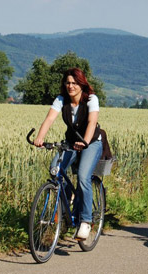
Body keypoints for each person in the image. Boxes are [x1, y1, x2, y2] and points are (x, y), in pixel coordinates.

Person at [34, 67, 103, 239]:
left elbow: (92, 122)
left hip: (92, 142)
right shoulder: (61, 99)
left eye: (74, 83)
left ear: (81, 84)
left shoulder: (91, 99)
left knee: (82, 176)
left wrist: (85, 141)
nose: (70, 86)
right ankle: (64, 215)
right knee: (55, 170)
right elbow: (49, 119)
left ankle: (86, 221)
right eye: (68, 83)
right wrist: (40, 138)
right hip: (71, 142)